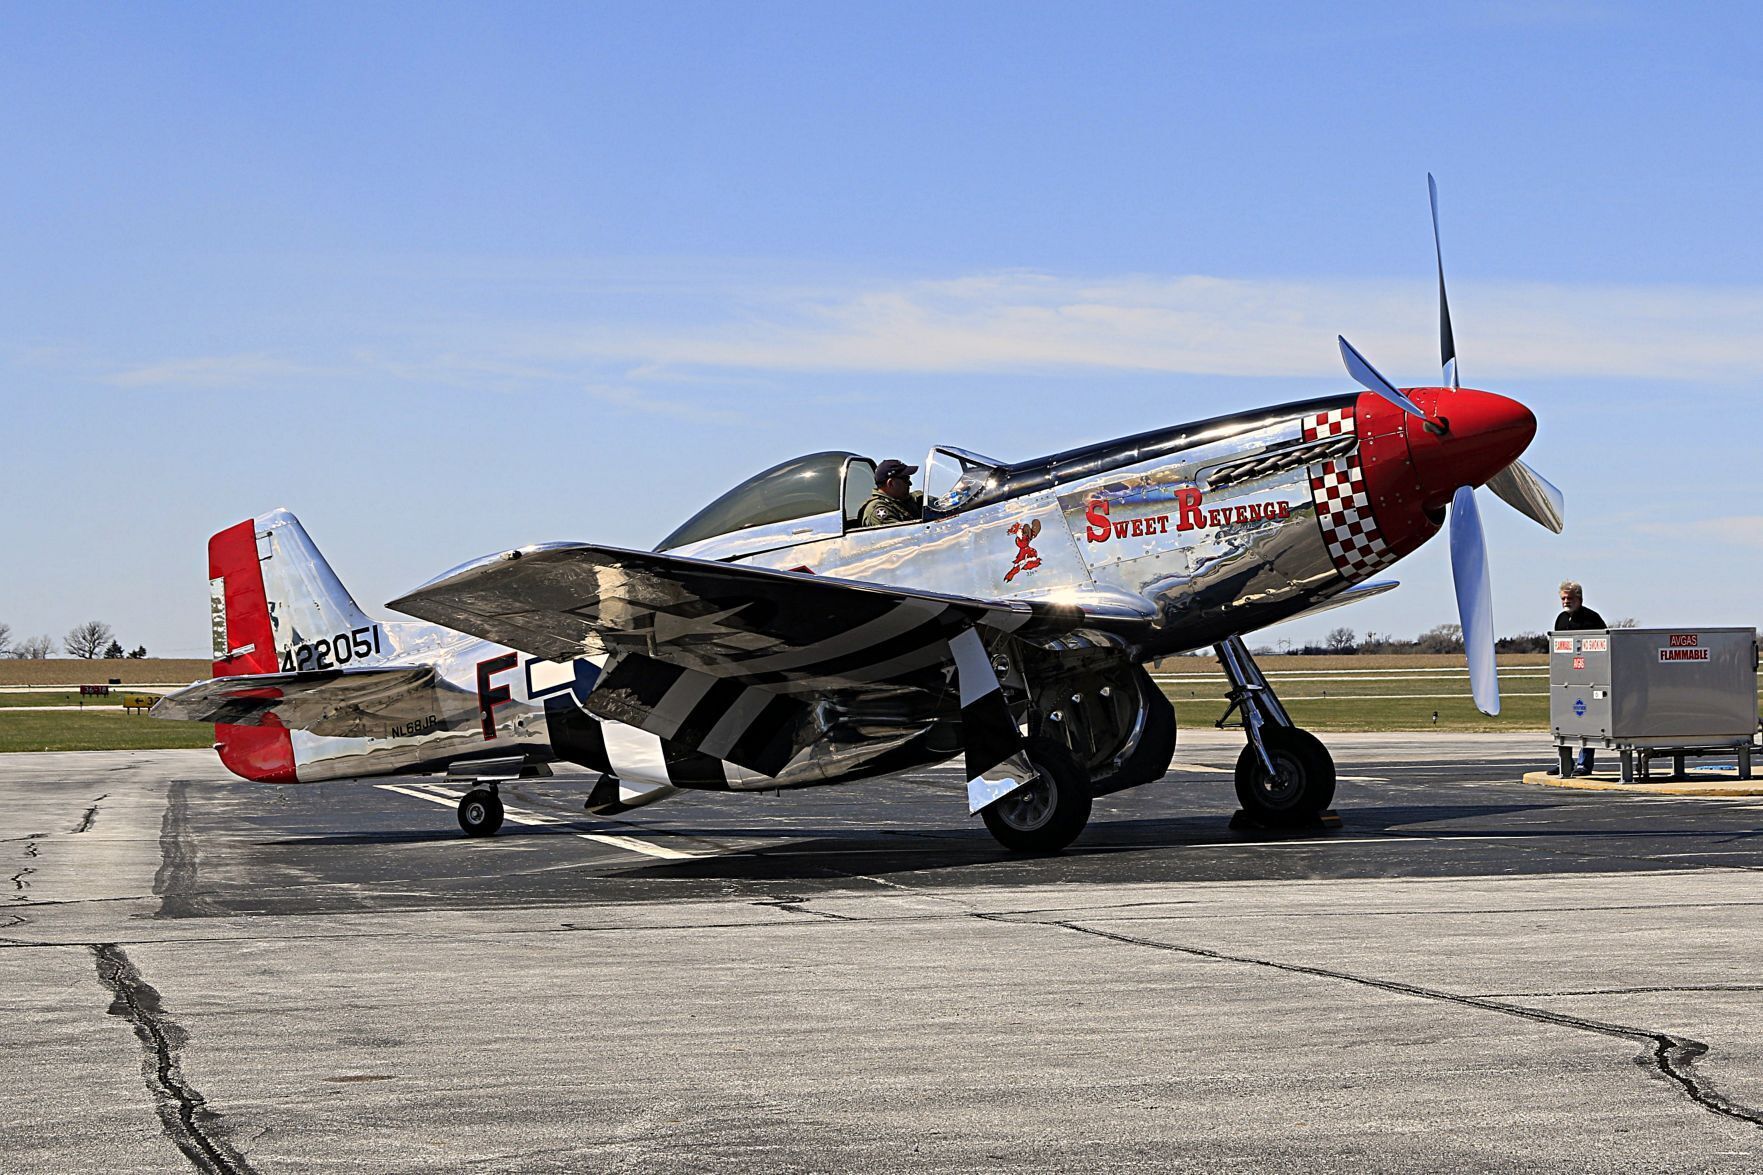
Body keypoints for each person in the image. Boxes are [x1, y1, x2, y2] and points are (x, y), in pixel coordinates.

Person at [1553, 580, 1608, 777]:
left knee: (1587, 721)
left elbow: (1603, 647)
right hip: (1567, 679)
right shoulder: (1560, 620)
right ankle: (1564, 761)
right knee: (1566, 720)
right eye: (1563, 598)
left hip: (1590, 678)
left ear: (1579, 599)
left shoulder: (1592, 619)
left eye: (1570, 598)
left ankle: (1584, 763)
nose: (1566, 601)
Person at [858, 458, 922, 527]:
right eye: (905, 479)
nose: (910, 483)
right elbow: (902, 535)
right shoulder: (878, 509)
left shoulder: (911, 499)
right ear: (891, 483)